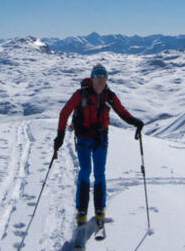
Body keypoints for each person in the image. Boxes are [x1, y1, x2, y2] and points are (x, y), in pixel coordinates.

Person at [52, 64, 144, 226]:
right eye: (98, 76)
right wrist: (60, 136)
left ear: (107, 79)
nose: (101, 79)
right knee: (86, 171)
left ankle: (100, 208)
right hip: (84, 138)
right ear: (92, 78)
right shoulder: (81, 94)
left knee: (100, 173)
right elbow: (64, 112)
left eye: (104, 76)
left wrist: (136, 123)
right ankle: (81, 210)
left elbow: (122, 112)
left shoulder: (110, 96)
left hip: (101, 138)